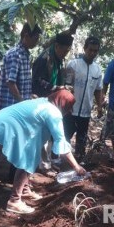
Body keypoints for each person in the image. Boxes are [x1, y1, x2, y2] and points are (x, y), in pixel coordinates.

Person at [0, 90, 87, 214]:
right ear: (62, 103)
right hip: (3, 126)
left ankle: (25, 191)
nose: (70, 111)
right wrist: (77, 167)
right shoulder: (53, 112)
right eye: (69, 106)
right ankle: (14, 201)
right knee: (25, 161)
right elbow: (61, 142)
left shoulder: (44, 102)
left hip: (0, 122)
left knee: (31, 155)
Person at [32, 33, 74, 176]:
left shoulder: (59, 59)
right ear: (57, 46)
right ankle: (43, 165)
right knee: (42, 133)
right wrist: (57, 88)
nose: (65, 53)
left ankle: (47, 161)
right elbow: (37, 80)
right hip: (41, 100)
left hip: (53, 100)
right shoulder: (44, 59)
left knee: (49, 132)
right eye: (64, 50)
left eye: (68, 51)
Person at [63, 36, 103, 161]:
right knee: (65, 136)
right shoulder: (73, 64)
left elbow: (98, 90)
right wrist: (65, 106)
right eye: (90, 50)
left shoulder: (97, 70)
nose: (92, 53)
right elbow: (66, 86)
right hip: (70, 110)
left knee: (82, 139)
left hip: (85, 111)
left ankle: (79, 161)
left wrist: (100, 106)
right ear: (85, 48)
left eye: (95, 51)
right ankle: (60, 161)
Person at [0, 23, 42, 108]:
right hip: (11, 106)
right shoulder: (15, 54)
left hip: (18, 105)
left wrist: (29, 96)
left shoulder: (25, 55)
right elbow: (11, 83)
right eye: (35, 39)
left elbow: (20, 83)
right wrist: (22, 103)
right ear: (26, 36)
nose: (37, 42)